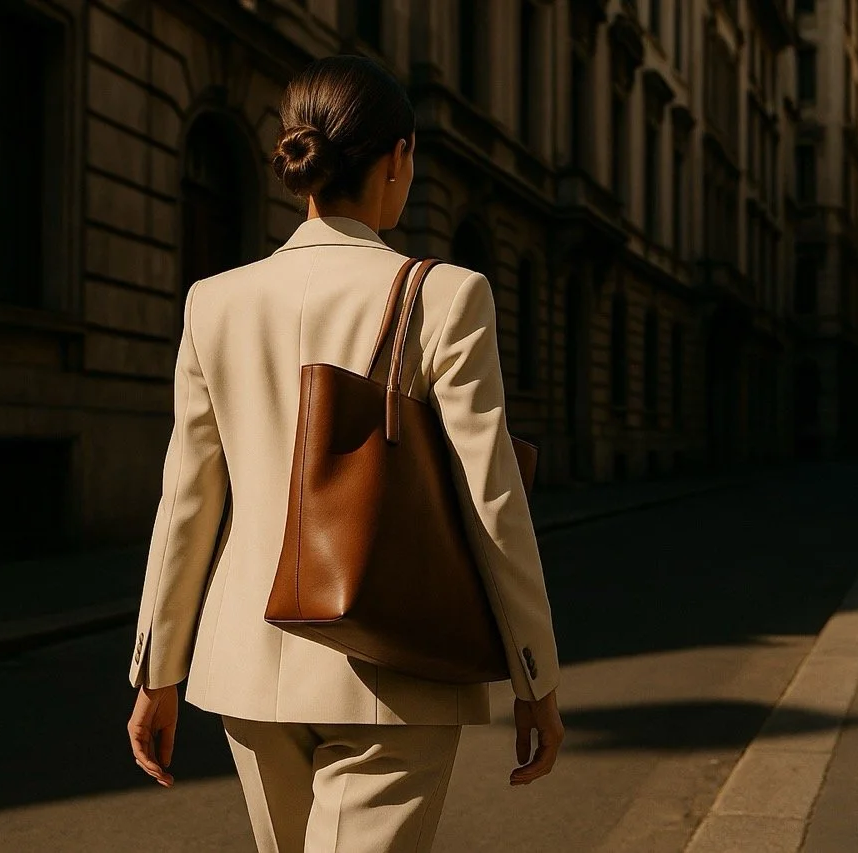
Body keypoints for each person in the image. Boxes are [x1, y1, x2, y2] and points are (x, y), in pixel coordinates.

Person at [126, 55, 564, 853]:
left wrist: (158, 670)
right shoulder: (447, 294)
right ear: (397, 159)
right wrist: (534, 673)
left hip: (248, 668)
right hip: (401, 666)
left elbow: (187, 499)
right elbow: (491, 499)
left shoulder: (213, 301)